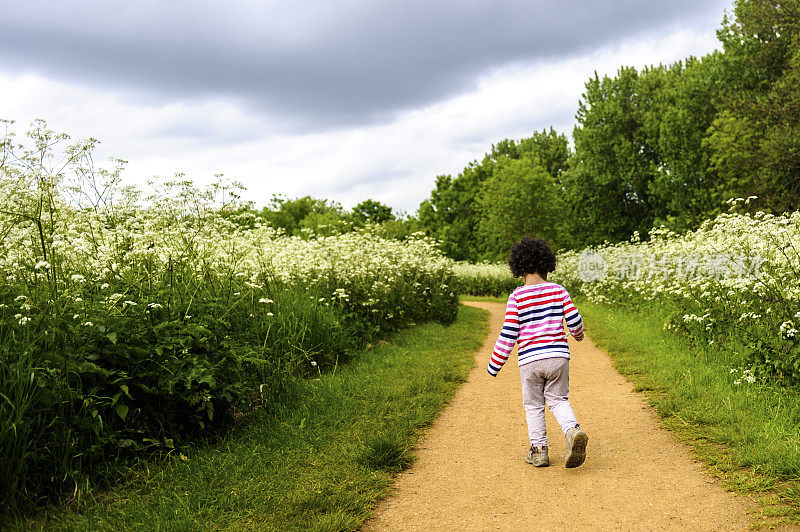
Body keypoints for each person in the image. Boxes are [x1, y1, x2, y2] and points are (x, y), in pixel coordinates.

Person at [487, 236, 588, 468]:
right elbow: (574, 319)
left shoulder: (516, 297)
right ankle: (572, 430)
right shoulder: (559, 291)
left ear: (519, 268)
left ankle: (539, 451)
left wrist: (496, 363)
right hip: (558, 357)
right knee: (558, 399)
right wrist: (578, 334)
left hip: (530, 361)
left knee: (533, 405)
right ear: (547, 265)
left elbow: (509, 333)